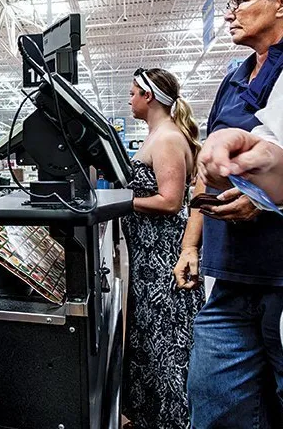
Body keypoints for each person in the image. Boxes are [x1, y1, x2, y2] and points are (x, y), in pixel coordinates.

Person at [173, 0, 283, 428]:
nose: (230, 13)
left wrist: (261, 196)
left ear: (279, 3)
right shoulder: (235, 79)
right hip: (232, 273)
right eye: (229, 4)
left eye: (241, 1)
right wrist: (190, 244)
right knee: (213, 400)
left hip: (278, 273)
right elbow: (205, 172)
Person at [121, 68, 204, 429]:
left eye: (134, 91)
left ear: (149, 97)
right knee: (152, 343)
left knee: (167, 346)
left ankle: (174, 421)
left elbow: (170, 202)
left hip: (164, 257)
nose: (129, 98)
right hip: (148, 259)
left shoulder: (167, 138)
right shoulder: (158, 135)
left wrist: (121, 202)